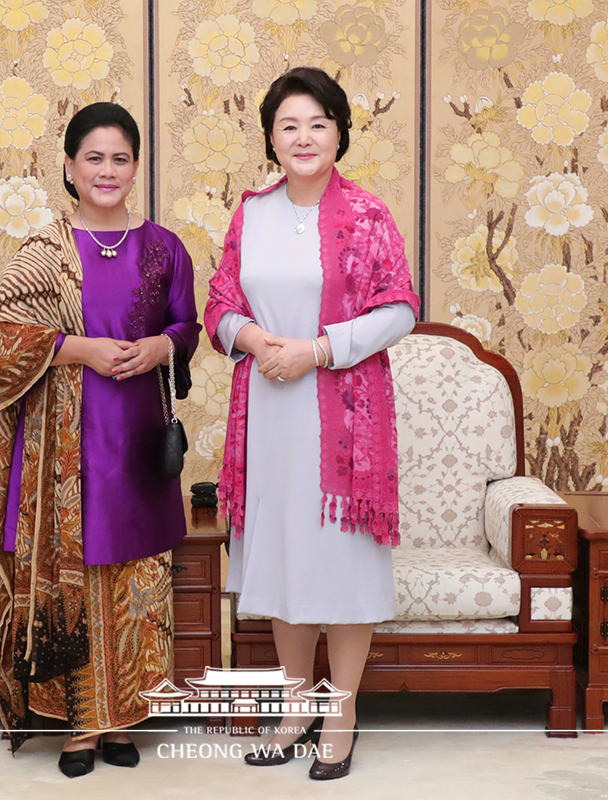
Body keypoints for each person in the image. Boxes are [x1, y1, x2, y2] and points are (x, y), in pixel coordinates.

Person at [0, 102, 200, 778]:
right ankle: (78, 725)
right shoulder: (44, 251)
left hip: (136, 441)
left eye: (120, 158)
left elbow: (188, 327)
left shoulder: (164, 248)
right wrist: (81, 350)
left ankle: (122, 717)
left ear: (135, 167)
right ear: (69, 168)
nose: (107, 170)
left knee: (133, 575)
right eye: (93, 158)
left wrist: (161, 344)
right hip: (61, 451)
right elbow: (2, 339)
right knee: (73, 576)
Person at [205, 67, 419, 781]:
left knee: (344, 570)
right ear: (270, 136)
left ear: (339, 134)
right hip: (268, 416)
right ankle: (295, 706)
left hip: (345, 424)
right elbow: (220, 306)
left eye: (318, 123)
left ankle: (341, 712)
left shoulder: (368, 215)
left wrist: (318, 349)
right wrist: (256, 341)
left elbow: (399, 310)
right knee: (285, 563)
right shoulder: (252, 212)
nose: (304, 137)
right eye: (289, 124)